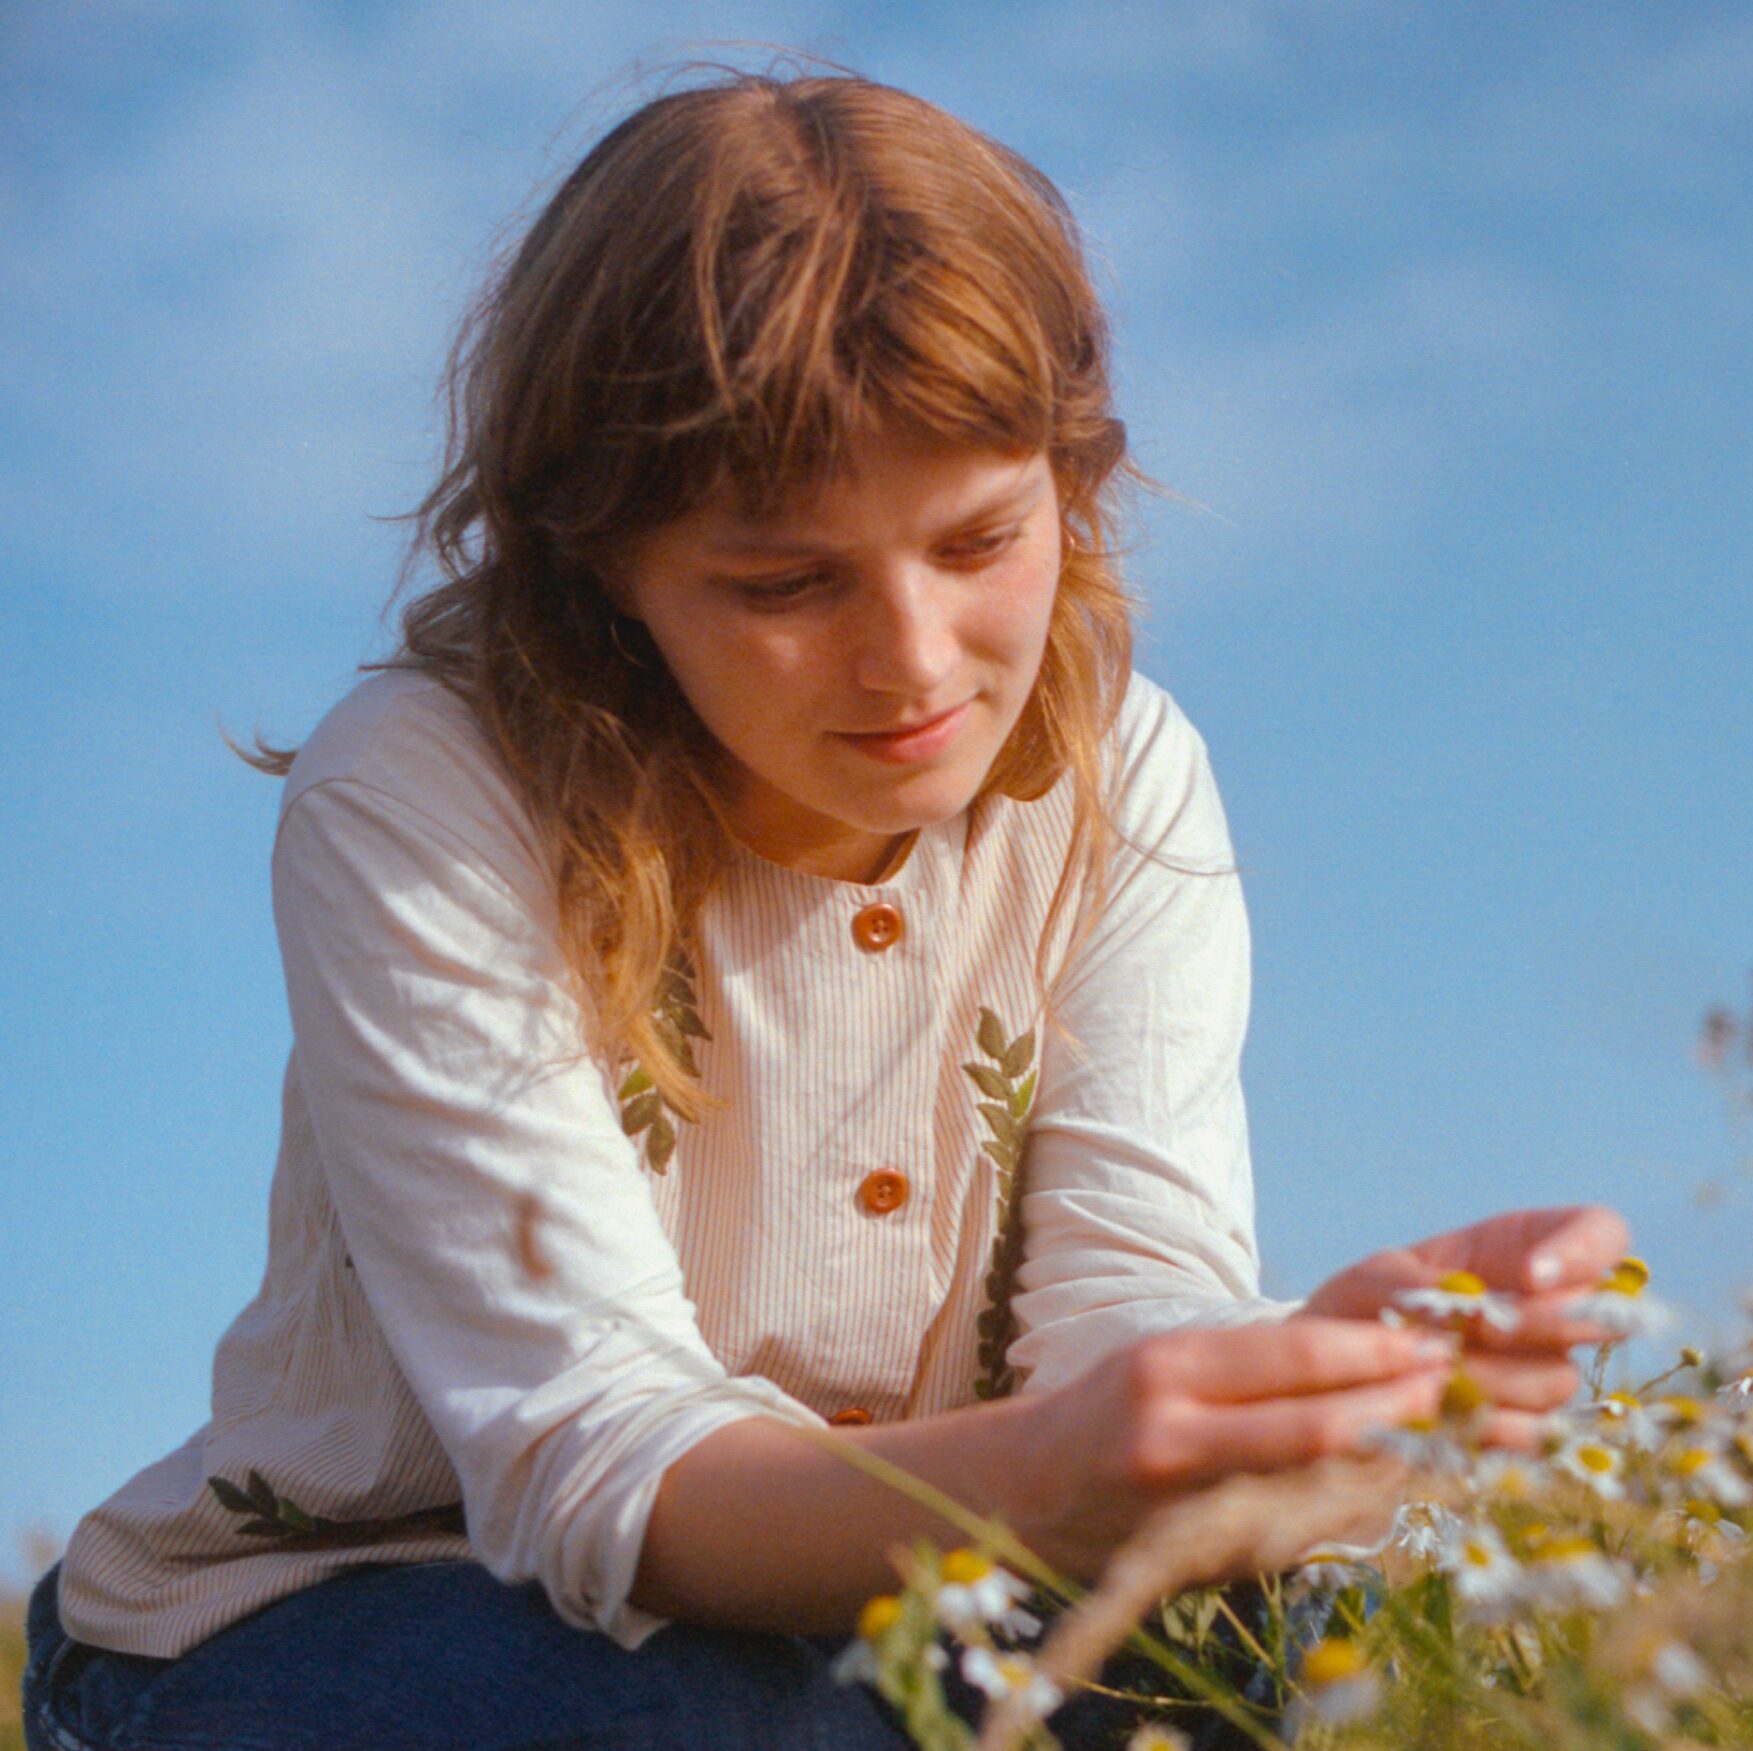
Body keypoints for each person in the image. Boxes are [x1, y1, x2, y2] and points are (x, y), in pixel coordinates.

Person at [20, 66, 1628, 1750]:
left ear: (1072, 485)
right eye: (784, 583)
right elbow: (590, 1452)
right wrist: (1049, 1479)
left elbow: (1128, 1291)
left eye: (981, 538)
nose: (916, 663)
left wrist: (1279, 1407)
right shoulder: (423, 788)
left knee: (1317, 1684)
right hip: (378, 1598)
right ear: (598, 572)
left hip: (933, 1580)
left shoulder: (1126, 766)